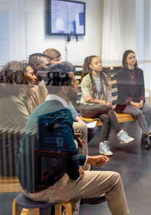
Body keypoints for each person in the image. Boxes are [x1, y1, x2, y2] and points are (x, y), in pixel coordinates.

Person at [17, 62, 130, 215]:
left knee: (85, 167)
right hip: (45, 189)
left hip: (29, 184)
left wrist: (87, 160)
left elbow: (54, 153)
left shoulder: (42, 109)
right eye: (74, 82)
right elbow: (71, 165)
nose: (77, 86)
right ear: (64, 87)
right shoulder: (61, 114)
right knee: (114, 180)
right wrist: (76, 174)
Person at [80, 55, 134, 156]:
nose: (100, 64)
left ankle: (103, 145)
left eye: (100, 62)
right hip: (86, 108)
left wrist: (108, 104)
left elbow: (105, 95)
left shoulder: (103, 77)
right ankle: (120, 133)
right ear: (90, 66)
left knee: (106, 118)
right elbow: (88, 98)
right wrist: (104, 103)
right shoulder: (86, 79)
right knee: (107, 108)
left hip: (100, 108)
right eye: (96, 63)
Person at [116, 50, 151, 150]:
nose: (133, 59)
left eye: (134, 57)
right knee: (138, 112)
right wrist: (132, 103)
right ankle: (149, 136)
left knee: (149, 110)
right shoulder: (121, 73)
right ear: (125, 60)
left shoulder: (140, 72)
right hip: (125, 103)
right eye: (130, 58)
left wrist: (142, 101)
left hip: (138, 101)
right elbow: (121, 92)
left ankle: (143, 138)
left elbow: (142, 87)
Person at [0, 61, 37, 127]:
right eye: (32, 74)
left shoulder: (23, 97)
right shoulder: (13, 101)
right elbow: (30, 128)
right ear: (20, 77)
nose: (35, 77)